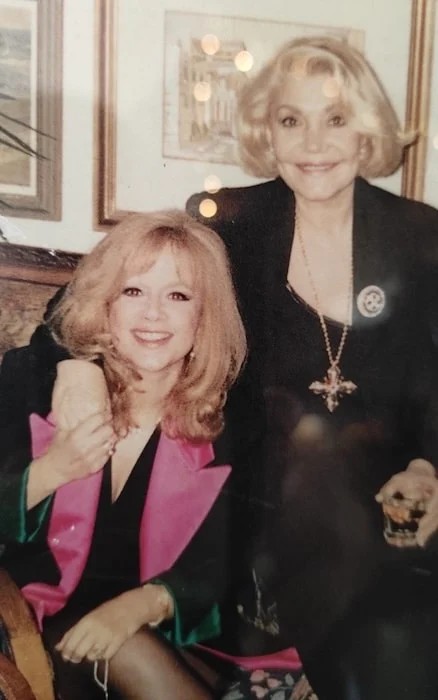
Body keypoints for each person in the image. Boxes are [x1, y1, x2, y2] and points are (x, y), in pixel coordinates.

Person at [185, 35, 438, 700]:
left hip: (389, 518)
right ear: (266, 133)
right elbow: (109, 296)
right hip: (259, 518)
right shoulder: (230, 225)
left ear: (367, 131)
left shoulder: (422, 236)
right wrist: (76, 372)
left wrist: (428, 467)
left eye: (336, 118)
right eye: (291, 119)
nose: (314, 143)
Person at [0, 210, 247, 700]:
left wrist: (139, 606)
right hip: (39, 626)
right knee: (129, 653)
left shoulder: (229, 424)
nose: (153, 314)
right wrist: (49, 473)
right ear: (105, 304)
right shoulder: (31, 383)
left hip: (169, 634)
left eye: (178, 296)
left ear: (204, 317)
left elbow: (225, 561)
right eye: (133, 291)